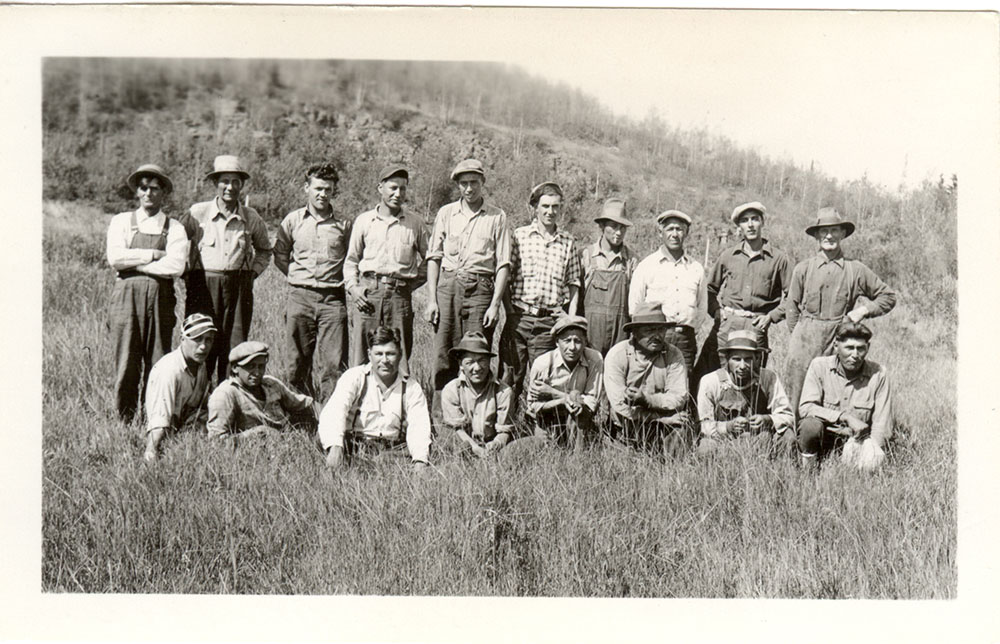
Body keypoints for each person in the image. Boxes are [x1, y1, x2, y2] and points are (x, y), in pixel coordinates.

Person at [784, 207, 896, 418]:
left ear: (843, 234)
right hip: (803, 342)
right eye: (824, 231)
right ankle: (790, 444)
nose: (829, 236)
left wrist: (862, 311)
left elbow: (888, 297)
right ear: (816, 235)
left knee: (833, 395)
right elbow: (791, 308)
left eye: (834, 230)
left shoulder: (856, 270)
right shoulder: (803, 268)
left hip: (837, 342)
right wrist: (800, 336)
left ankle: (829, 442)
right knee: (795, 397)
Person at [106, 163, 189, 422]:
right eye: (144, 188)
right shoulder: (121, 221)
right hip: (125, 299)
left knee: (158, 362)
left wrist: (135, 263)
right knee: (126, 362)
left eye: (155, 188)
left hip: (160, 300)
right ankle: (125, 419)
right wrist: (152, 255)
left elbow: (175, 265)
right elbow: (115, 258)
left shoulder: (174, 227)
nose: (149, 193)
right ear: (137, 192)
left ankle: (154, 419)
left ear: (164, 192)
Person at [425, 159, 511, 397]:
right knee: (444, 352)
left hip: (480, 291)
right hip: (448, 287)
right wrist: (432, 300)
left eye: (474, 182)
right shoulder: (446, 213)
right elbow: (434, 257)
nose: (469, 188)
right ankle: (443, 419)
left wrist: (495, 305)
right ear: (458, 186)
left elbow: (503, 264)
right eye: (464, 183)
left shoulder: (497, 216)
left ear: (483, 182)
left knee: (476, 354)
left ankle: (476, 414)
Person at [181, 155, 272, 382]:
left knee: (235, 345)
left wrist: (252, 273)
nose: (230, 187)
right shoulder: (197, 213)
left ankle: (228, 398)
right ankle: (196, 402)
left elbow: (265, 250)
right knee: (201, 342)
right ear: (215, 183)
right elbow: (175, 242)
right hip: (203, 287)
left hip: (238, 289)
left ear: (242, 185)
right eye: (224, 181)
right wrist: (184, 272)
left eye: (235, 182)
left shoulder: (251, 217)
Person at [273, 163, 352, 402]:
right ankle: (300, 412)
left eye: (328, 189)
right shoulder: (293, 221)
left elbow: (352, 259)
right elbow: (280, 255)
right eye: (318, 188)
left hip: (332, 300)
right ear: (306, 188)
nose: (323, 194)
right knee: (296, 362)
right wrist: (298, 278)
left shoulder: (344, 225)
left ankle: (330, 416)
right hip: (300, 297)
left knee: (333, 364)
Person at [501, 181, 582, 405]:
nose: (550, 212)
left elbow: (574, 283)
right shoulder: (520, 236)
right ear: (535, 208)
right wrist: (509, 311)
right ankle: (505, 427)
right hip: (519, 318)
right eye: (545, 206)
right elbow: (506, 277)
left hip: (549, 323)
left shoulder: (567, 242)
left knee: (545, 381)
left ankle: (540, 430)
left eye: (555, 207)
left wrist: (569, 319)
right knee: (510, 377)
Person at [344, 164, 428, 370]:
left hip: (400, 298)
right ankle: (361, 401)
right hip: (368, 296)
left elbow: (431, 260)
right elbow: (351, 261)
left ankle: (399, 401)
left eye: (403, 188)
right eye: (393, 188)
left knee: (399, 357)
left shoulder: (415, 223)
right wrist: (354, 289)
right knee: (362, 358)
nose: (398, 193)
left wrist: (409, 285)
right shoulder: (364, 221)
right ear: (380, 188)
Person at [696, 201, 791, 375]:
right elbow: (708, 289)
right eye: (745, 220)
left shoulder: (778, 259)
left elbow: (793, 297)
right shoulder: (728, 255)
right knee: (707, 373)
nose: (750, 224)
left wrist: (770, 317)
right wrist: (716, 311)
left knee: (752, 377)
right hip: (727, 324)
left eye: (755, 219)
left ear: (762, 222)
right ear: (739, 226)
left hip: (756, 326)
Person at [318, 327, 431, 470]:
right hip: (354, 444)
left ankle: (374, 468)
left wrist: (420, 461)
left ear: (400, 355)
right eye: (379, 354)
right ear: (369, 354)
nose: (385, 360)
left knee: (396, 463)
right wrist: (335, 447)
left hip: (391, 450)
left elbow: (419, 427)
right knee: (326, 440)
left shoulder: (411, 388)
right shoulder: (354, 377)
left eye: (390, 354)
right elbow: (335, 411)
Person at [628, 209, 708, 390]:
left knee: (682, 386)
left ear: (686, 233)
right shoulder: (647, 266)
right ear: (660, 232)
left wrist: (688, 330)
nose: (674, 234)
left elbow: (701, 308)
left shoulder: (696, 268)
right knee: (651, 383)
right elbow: (634, 307)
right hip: (652, 337)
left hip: (684, 339)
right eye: (670, 229)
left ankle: (680, 418)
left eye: (679, 229)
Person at [797, 321, 893, 472]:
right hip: (824, 438)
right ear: (836, 346)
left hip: (857, 441)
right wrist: (844, 417)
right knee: (810, 426)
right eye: (849, 348)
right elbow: (806, 407)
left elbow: (881, 425)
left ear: (868, 348)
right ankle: (808, 472)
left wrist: (872, 455)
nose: (855, 355)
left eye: (860, 348)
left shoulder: (879, 374)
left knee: (869, 468)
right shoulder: (819, 366)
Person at [603, 303, 692, 456]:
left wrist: (648, 400)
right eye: (649, 330)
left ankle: (672, 472)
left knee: (682, 426)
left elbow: (679, 398)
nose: (657, 336)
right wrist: (660, 418)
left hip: (661, 430)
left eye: (660, 329)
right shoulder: (617, 355)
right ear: (635, 333)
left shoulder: (673, 355)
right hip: (624, 429)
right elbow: (619, 405)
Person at [696, 330, 795, 455]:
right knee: (706, 448)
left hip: (762, 439)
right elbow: (702, 425)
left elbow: (788, 417)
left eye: (748, 359)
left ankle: (781, 471)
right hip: (723, 440)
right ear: (727, 359)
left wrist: (767, 419)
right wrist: (727, 427)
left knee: (788, 436)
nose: (742, 366)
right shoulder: (711, 381)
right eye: (736, 359)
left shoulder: (768, 378)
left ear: (757, 359)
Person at [206, 341, 321, 441]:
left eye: (261, 366)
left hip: (289, 438)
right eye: (251, 366)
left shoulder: (270, 383)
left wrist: (325, 415)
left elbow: (304, 403)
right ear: (235, 368)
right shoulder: (225, 394)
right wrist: (257, 433)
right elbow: (216, 440)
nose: (257, 373)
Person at [143, 313, 217, 461]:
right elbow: (159, 422)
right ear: (182, 339)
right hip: (168, 431)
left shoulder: (200, 365)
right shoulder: (169, 370)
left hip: (188, 426)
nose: (204, 346)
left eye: (208, 340)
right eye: (197, 339)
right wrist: (151, 452)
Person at [525, 315, 603, 450]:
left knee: (575, 396)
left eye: (577, 341)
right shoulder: (543, 364)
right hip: (548, 417)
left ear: (585, 342)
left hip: (578, 417)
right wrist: (562, 401)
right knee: (544, 450)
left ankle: (579, 459)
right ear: (557, 342)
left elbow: (592, 401)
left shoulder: (594, 359)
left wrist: (555, 393)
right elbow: (533, 405)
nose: (572, 347)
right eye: (567, 341)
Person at [438, 331, 514, 458]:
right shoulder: (451, 390)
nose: (477, 368)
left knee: (526, 446)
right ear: (461, 365)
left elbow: (505, 430)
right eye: (470, 362)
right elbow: (457, 430)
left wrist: (496, 443)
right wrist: (475, 448)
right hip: (463, 445)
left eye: (481, 361)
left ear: (489, 361)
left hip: (494, 449)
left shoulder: (503, 391)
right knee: (448, 443)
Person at [579, 196, 638, 356]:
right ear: (602, 226)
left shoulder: (631, 260)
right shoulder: (586, 256)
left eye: (623, 228)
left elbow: (636, 303)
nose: (619, 232)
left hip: (620, 335)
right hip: (590, 334)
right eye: (613, 226)